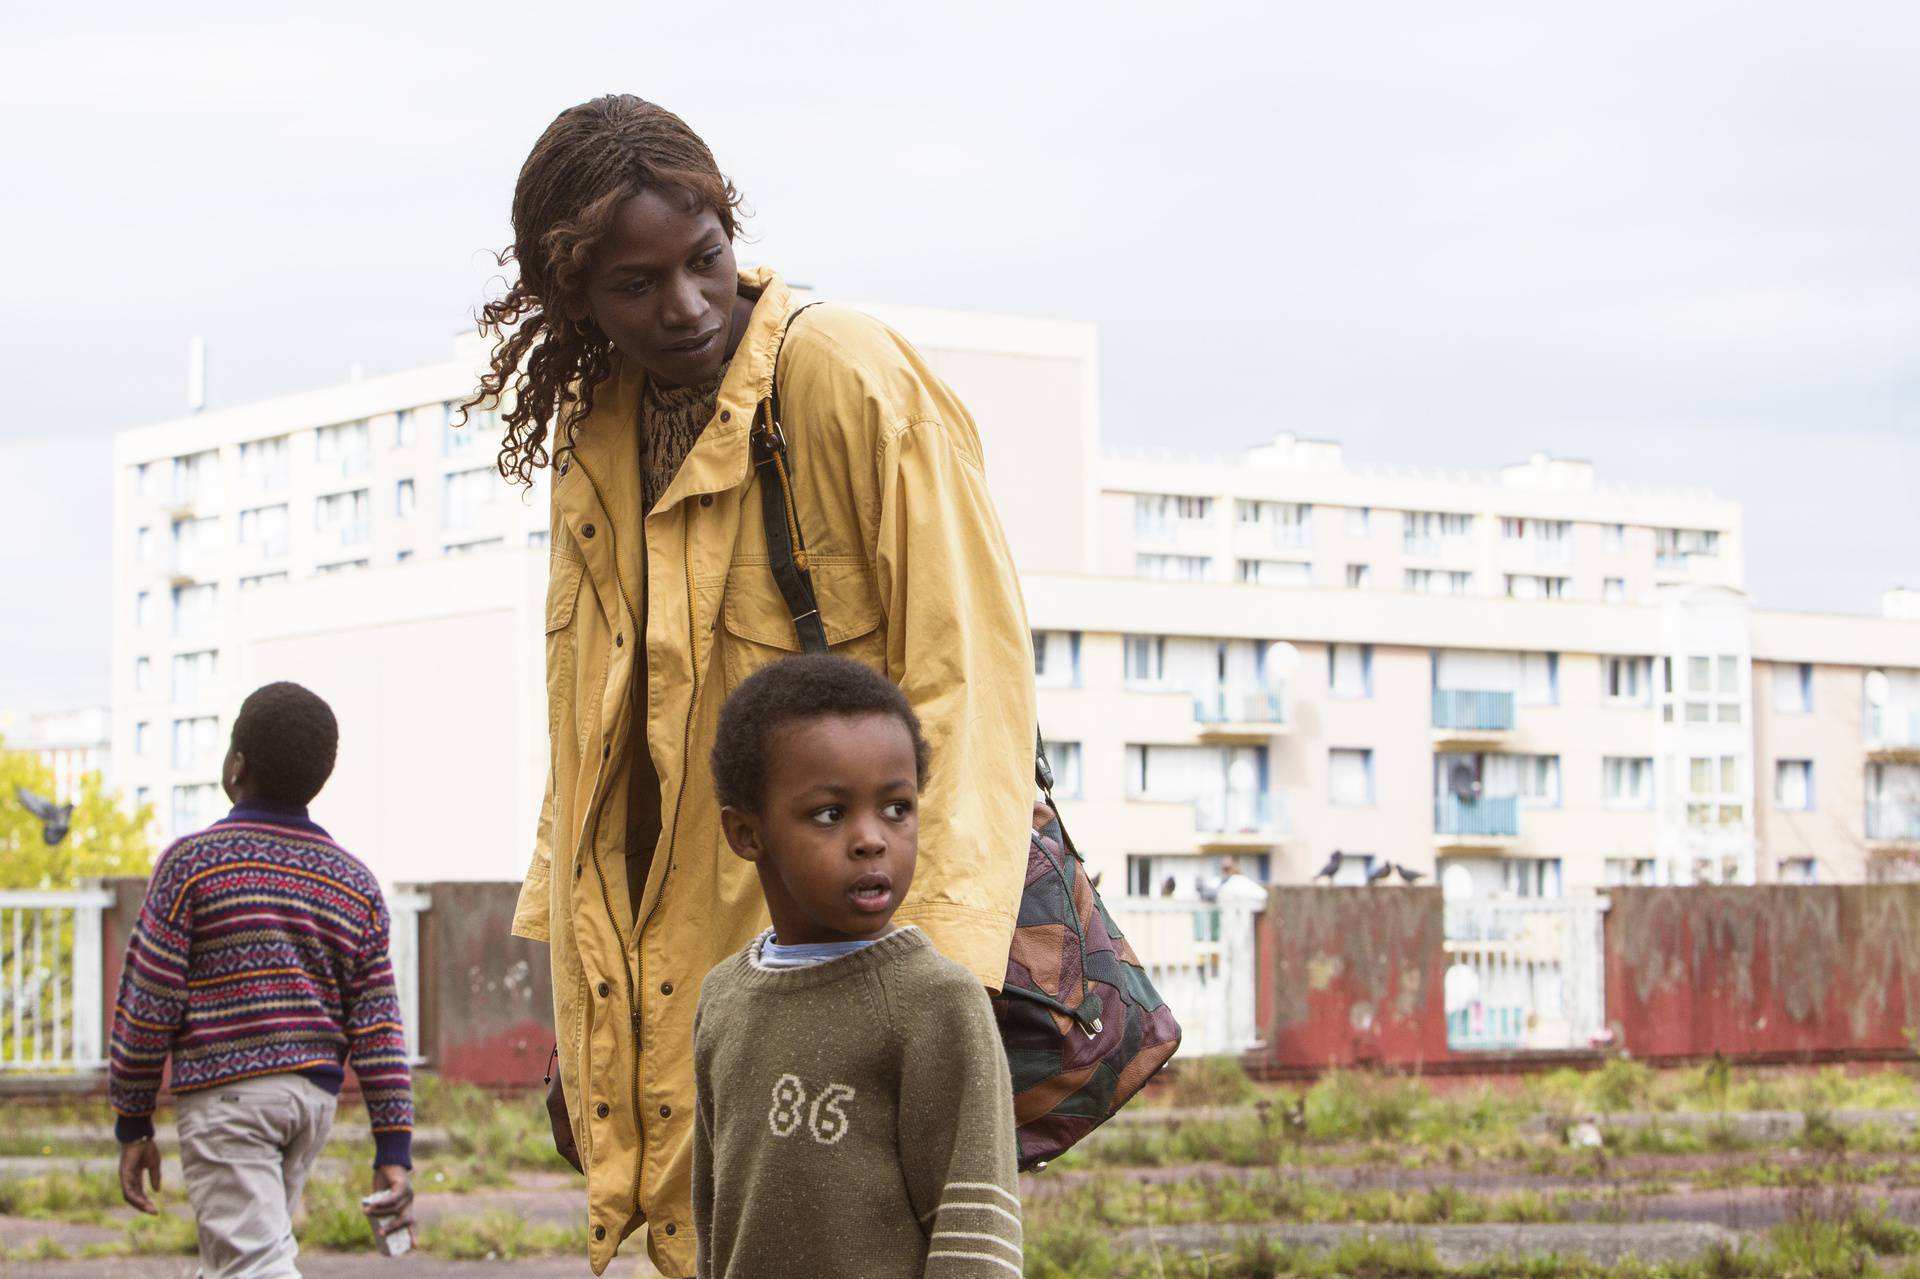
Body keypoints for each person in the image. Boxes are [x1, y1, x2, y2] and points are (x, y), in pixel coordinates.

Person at [474, 95, 1035, 1276]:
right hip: (710, 991)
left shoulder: (846, 376)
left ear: (735, 230)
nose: (683, 305)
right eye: (636, 285)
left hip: (855, 966)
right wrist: (591, 1035)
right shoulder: (596, 439)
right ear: (573, 298)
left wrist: (930, 984)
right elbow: (591, 761)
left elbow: (968, 676)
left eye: (705, 259)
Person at [694, 654, 1021, 1278]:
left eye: (897, 808)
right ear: (746, 835)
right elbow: (715, 1220)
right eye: (830, 814)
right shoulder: (725, 997)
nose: (872, 838)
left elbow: (976, 1231)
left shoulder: (936, 1002)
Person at [108, 682, 414, 1277]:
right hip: (311, 1105)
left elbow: (150, 1004)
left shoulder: (192, 866)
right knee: (240, 1257)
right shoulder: (353, 882)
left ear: (235, 765)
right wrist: (392, 1148)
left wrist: (134, 1118)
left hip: (229, 1100)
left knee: (252, 1264)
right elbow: (379, 1027)